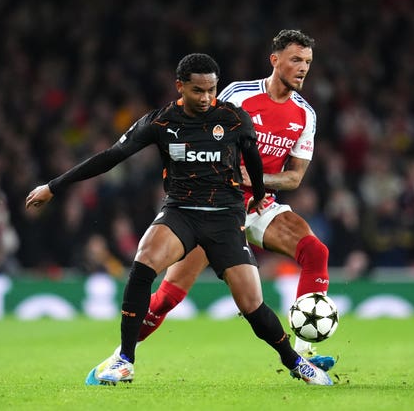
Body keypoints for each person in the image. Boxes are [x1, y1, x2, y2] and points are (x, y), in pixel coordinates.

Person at [25, 53, 333, 386]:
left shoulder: (234, 118)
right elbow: (110, 157)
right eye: (198, 91)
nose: (205, 99)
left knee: (253, 306)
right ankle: (124, 359)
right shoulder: (161, 122)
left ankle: (297, 361)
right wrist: (54, 186)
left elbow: (255, 164)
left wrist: (258, 193)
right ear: (180, 87)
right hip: (181, 213)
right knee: (143, 264)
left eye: (211, 91)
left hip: (225, 218)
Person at [121, 29, 334, 362]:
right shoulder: (239, 95)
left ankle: (306, 348)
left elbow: (294, 176)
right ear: (275, 60)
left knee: (315, 250)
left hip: (261, 205)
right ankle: (120, 356)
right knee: (167, 297)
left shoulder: (305, 114)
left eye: (307, 61)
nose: (303, 67)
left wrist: (260, 182)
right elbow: (204, 137)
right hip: (215, 206)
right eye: (295, 59)